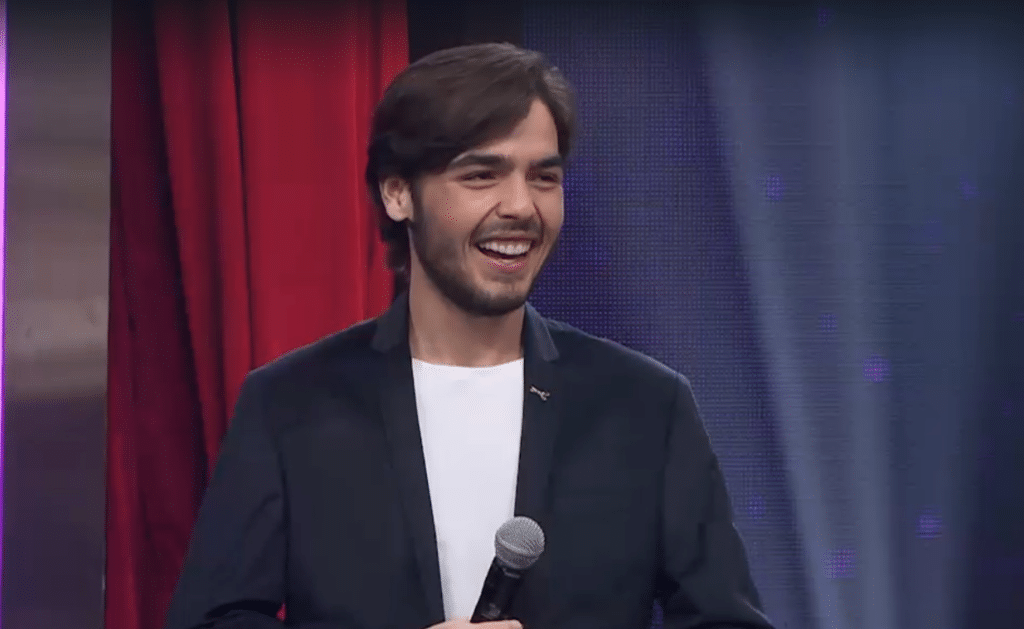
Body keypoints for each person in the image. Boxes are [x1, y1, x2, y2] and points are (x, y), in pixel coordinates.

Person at [164, 43, 774, 629]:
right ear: (398, 193)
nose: (521, 206)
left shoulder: (646, 405)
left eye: (544, 177)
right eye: (482, 175)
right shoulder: (290, 405)